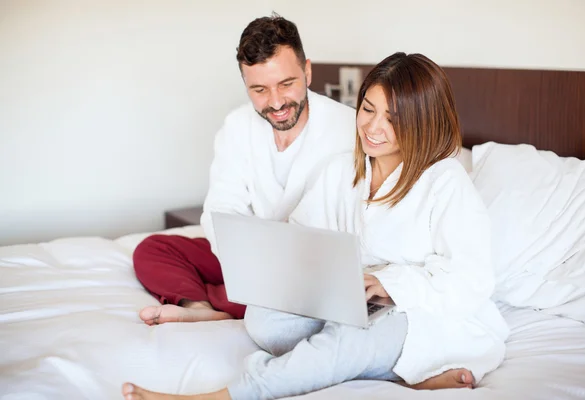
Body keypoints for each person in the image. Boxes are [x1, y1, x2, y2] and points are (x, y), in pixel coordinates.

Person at [121, 52, 509, 400]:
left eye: (392, 118)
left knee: (350, 340)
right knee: (265, 321)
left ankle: (226, 395)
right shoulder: (344, 171)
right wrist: (304, 278)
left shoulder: (445, 182)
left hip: (423, 313)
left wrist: (390, 285)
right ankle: (398, 374)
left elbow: (472, 279)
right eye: (368, 109)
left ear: (421, 121)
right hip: (351, 301)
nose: (373, 127)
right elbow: (302, 232)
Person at [132, 15, 356, 324]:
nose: (276, 102)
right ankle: (200, 309)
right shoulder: (237, 125)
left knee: (302, 297)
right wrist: (246, 266)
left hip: (308, 266)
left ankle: (229, 300)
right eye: (260, 90)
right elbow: (220, 209)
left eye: (286, 84)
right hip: (249, 257)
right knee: (153, 248)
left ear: (307, 71)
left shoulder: (349, 128)